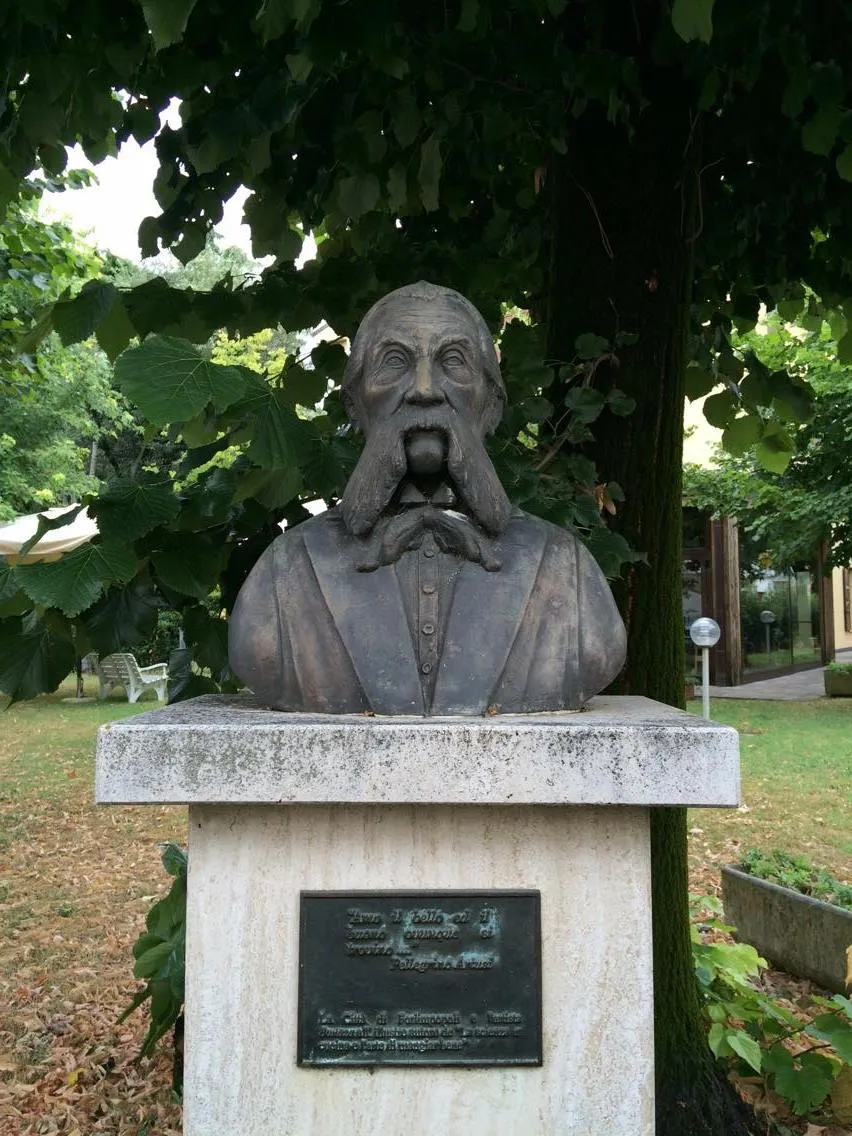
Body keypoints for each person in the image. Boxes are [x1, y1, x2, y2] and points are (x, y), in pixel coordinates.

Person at [228, 282, 626, 715]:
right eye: (394, 362)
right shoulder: (285, 573)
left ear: (491, 405)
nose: (424, 390)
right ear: (355, 405)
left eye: (453, 362)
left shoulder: (564, 569)